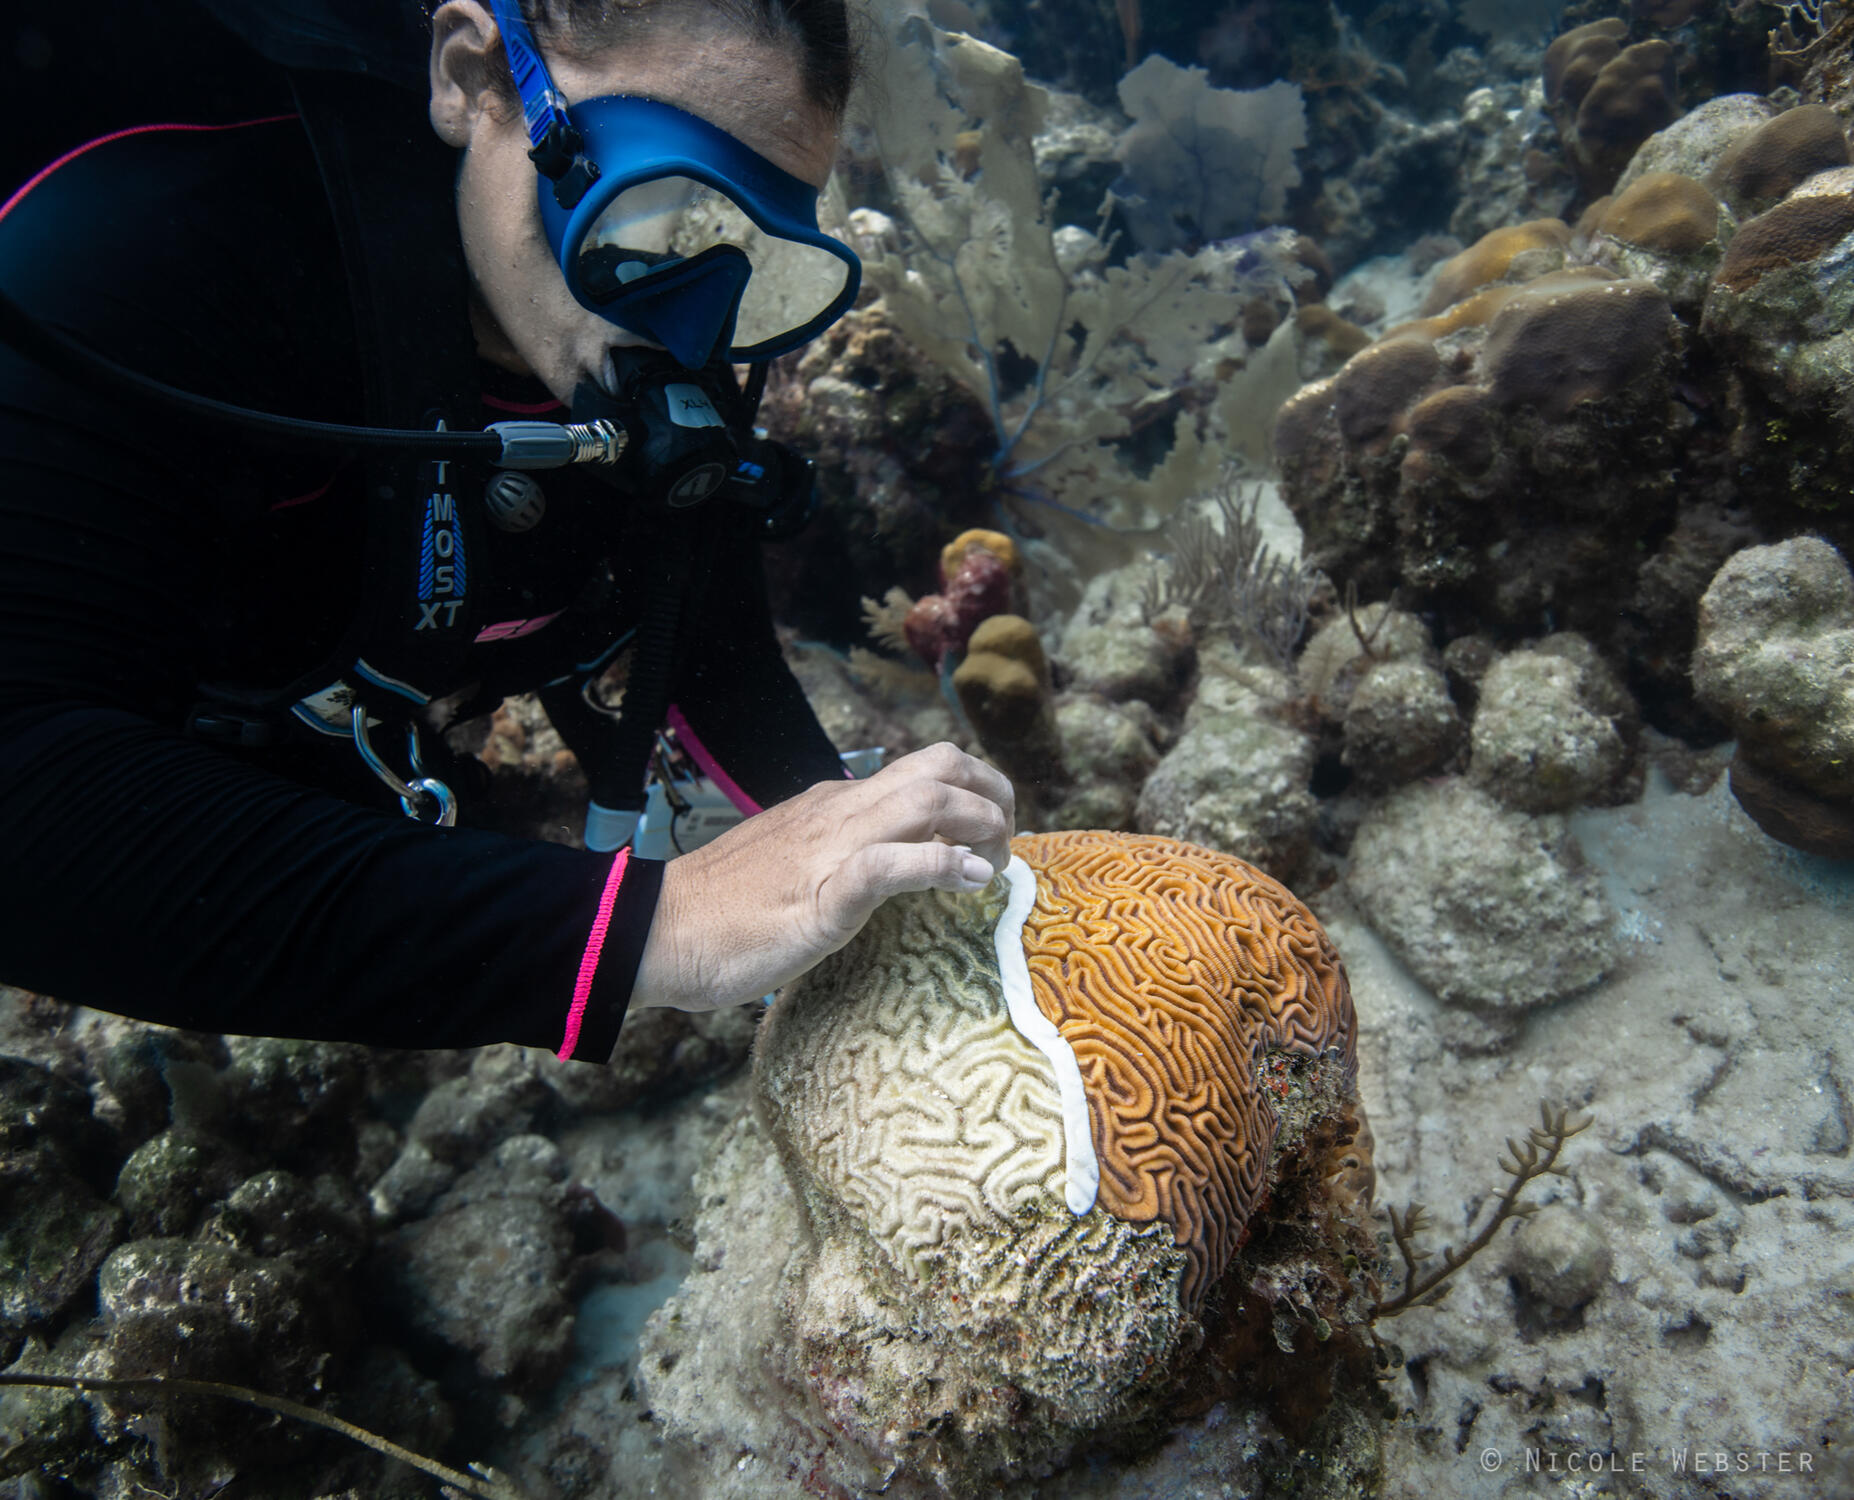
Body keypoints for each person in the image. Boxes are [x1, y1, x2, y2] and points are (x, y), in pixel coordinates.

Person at [0, 0, 1014, 1063]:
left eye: (748, 258)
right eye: (658, 209)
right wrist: (651, 928)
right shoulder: (144, 248)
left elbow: (710, 646)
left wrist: (869, 852)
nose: (691, 326)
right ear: (473, 78)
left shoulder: (652, 326)